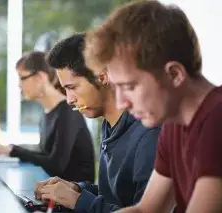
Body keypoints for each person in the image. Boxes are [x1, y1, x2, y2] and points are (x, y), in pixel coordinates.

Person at [83, 1, 222, 213]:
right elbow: (146, 210)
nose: (121, 102)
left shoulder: (217, 120)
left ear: (174, 74)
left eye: (129, 86)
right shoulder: (173, 126)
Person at [34, 33, 161, 213]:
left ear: (102, 77)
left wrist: (78, 201)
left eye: (72, 87)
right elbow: (114, 197)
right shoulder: (109, 125)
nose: (69, 99)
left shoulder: (149, 134)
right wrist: (77, 189)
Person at [0, 51, 95, 182]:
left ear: (40, 77)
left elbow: (56, 166)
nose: (19, 85)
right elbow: (43, 152)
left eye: (22, 78)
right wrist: (10, 148)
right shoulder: (48, 112)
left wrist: (13, 151)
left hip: (74, 198)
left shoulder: (68, 112)